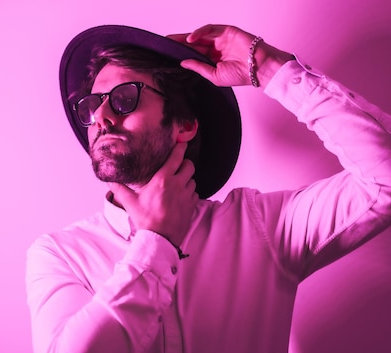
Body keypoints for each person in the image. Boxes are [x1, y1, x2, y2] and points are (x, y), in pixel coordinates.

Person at [25, 24, 391, 353]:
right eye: (91, 105)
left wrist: (266, 67)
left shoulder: (262, 226)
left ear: (184, 125)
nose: (101, 117)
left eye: (124, 98)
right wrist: (157, 243)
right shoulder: (60, 255)